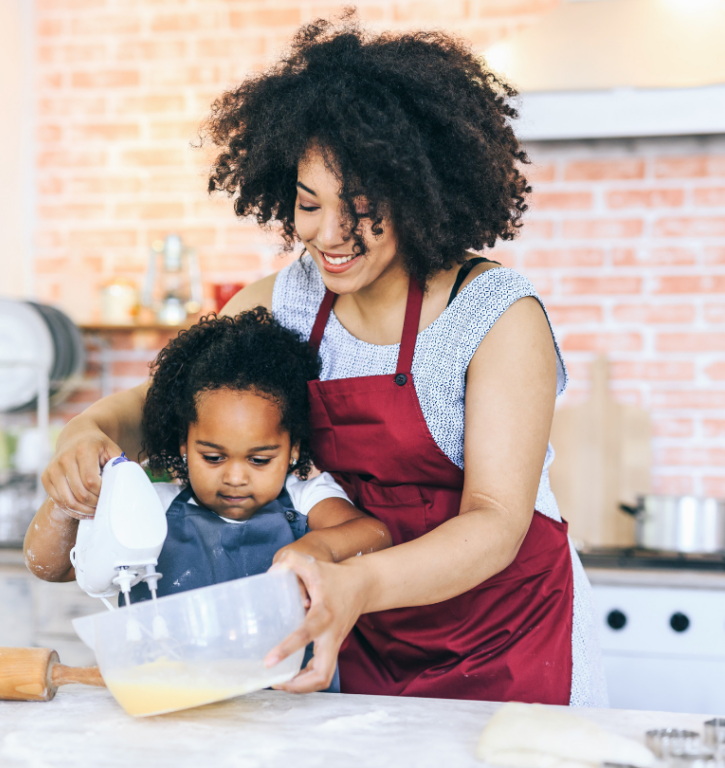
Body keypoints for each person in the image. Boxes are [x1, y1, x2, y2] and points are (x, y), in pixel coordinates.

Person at [41, 17, 608, 706]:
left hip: (505, 634)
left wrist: (358, 582)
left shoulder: (494, 317)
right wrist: (83, 434)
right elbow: (155, 403)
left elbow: (493, 522)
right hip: (352, 624)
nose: (329, 236)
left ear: (421, 194)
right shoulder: (285, 302)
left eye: (361, 211)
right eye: (310, 205)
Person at [25, 310, 393, 691]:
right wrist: (71, 496)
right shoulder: (151, 508)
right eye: (213, 458)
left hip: (291, 714)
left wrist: (318, 546)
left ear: (292, 448)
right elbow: (49, 566)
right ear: (184, 445)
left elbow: (374, 534)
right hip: (171, 713)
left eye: (259, 460)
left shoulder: (305, 498)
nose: (235, 477)